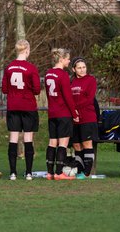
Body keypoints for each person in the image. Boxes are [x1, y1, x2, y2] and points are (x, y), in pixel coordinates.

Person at [2, 39, 41, 181]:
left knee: (13, 139)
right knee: (28, 138)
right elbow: (37, 89)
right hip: (28, 106)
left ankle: (13, 173)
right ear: (27, 50)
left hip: (13, 106)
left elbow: (5, 89)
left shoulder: (8, 67)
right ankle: (29, 173)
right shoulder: (31, 68)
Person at [44, 48, 79, 180]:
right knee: (62, 143)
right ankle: (59, 173)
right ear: (61, 59)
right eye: (67, 58)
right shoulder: (63, 75)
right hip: (63, 113)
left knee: (52, 142)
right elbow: (68, 97)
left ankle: (49, 173)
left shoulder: (48, 73)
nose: (69, 61)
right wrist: (74, 113)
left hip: (52, 112)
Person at [70, 57, 98, 179]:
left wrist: (75, 108)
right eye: (79, 68)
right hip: (74, 118)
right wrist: (73, 111)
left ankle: (86, 173)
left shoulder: (91, 80)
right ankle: (79, 170)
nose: (82, 70)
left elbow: (89, 98)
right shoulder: (71, 82)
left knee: (87, 144)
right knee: (76, 145)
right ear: (74, 69)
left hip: (87, 117)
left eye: (84, 67)